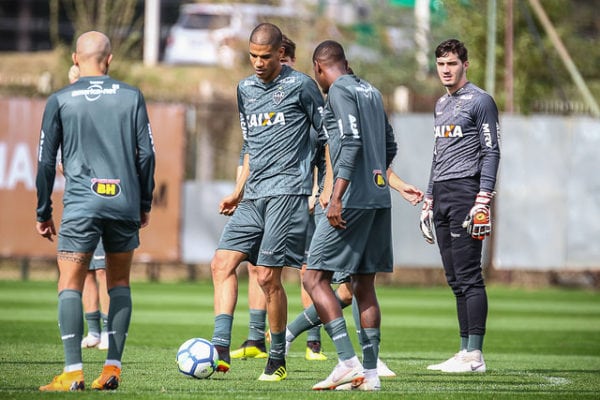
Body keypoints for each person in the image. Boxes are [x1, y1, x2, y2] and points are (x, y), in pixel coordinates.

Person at [36, 31, 155, 391]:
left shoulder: (61, 99)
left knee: (69, 284)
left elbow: (45, 161)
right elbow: (147, 155)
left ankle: (73, 372)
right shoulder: (132, 96)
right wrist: (143, 202)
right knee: (119, 283)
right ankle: (112, 370)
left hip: (81, 205)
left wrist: (43, 210)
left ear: (75, 59)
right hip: (122, 202)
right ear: (110, 59)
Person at [210, 23, 324, 382]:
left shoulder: (302, 86)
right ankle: (219, 348)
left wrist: (323, 189)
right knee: (221, 263)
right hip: (253, 193)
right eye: (252, 56)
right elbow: (251, 147)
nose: (257, 63)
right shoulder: (244, 88)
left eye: (264, 57)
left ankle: (277, 358)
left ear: (280, 54)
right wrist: (237, 190)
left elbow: (325, 139)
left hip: (287, 192)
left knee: (267, 277)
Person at [303, 40, 397, 391]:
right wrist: (375, 177)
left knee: (313, 278)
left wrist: (338, 196)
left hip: (351, 199)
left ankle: (346, 361)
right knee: (363, 285)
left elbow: (352, 142)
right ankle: (370, 376)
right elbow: (390, 144)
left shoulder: (339, 91)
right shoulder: (370, 89)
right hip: (378, 198)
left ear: (318, 68)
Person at [286, 169, 423, 377]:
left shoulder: (374, 136)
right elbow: (328, 151)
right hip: (336, 203)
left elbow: (377, 162)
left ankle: (289, 333)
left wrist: (400, 186)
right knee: (340, 281)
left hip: (362, 202)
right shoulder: (337, 136)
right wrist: (322, 190)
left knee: (354, 286)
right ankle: (366, 361)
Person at [420, 39, 500, 373]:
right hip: (442, 194)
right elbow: (438, 154)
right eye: (441, 64)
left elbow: (491, 151)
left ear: (465, 64)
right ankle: (465, 350)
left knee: (469, 276)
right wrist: (428, 198)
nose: (446, 70)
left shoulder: (481, 101)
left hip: (468, 192)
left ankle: (476, 355)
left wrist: (483, 198)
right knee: (454, 278)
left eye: (452, 63)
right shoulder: (441, 104)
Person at [67, 64, 111, 352]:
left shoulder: (107, 113)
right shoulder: (68, 116)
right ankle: (93, 330)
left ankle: (108, 331)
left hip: (104, 199)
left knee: (104, 269)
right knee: (83, 269)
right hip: (78, 201)